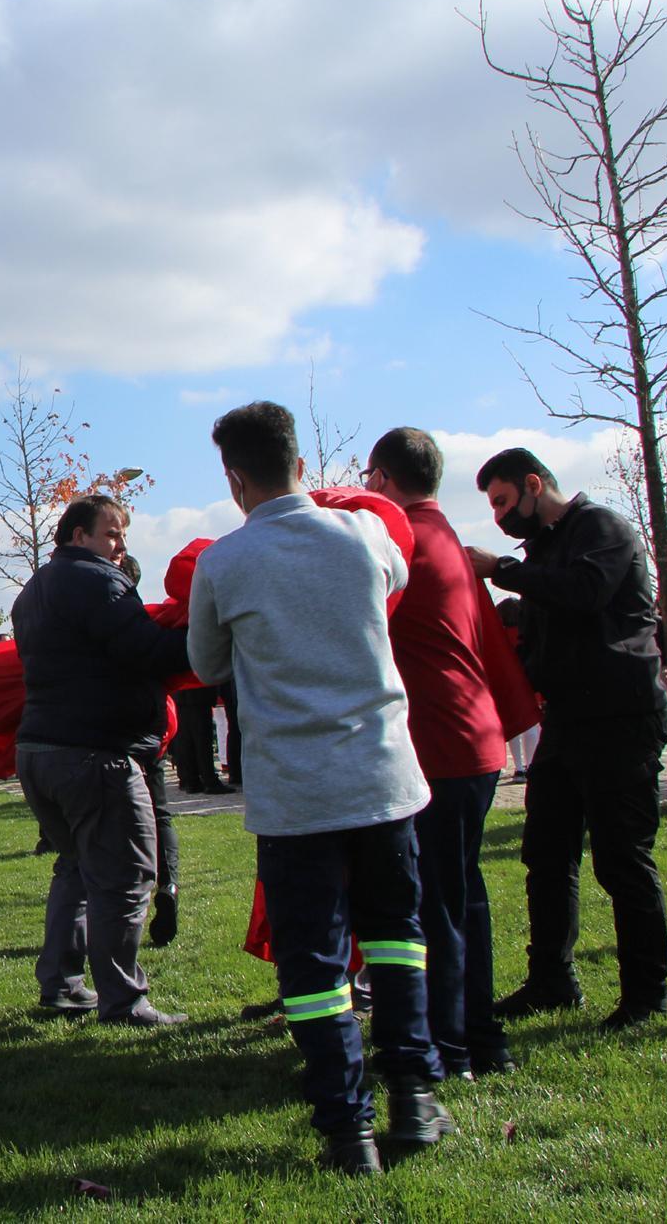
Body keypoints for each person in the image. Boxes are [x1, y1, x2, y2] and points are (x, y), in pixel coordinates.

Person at [188, 402, 446, 1175]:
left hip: (295, 795)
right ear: (301, 466)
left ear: (233, 480)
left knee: (313, 969)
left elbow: (206, 665)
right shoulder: (363, 534)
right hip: (382, 778)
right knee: (396, 940)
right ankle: (414, 1099)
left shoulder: (223, 564)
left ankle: (347, 1131)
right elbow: (399, 572)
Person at [465, 447, 667, 1030]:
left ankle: (647, 995)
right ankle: (552, 981)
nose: (500, 516)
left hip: (621, 719)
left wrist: (501, 569)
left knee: (622, 859)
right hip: (567, 722)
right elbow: (541, 637)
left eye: (503, 501)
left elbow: (585, 591)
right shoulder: (544, 551)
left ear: (534, 484)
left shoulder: (601, 528)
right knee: (547, 855)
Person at [364, 427, 517, 1079]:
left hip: (439, 742)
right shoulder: (446, 535)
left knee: (436, 904)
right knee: (462, 895)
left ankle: (449, 1046)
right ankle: (481, 1036)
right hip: (474, 736)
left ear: (382, 479)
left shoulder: (402, 540)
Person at [12, 494, 190, 1028]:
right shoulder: (99, 581)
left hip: (40, 751)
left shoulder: (34, 590)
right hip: (94, 756)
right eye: (111, 533)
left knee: (74, 870)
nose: (120, 546)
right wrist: (205, 632)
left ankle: (62, 985)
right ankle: (124, 1001)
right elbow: (146, 651)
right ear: (78, 535)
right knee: (125, 877)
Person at [118, 552, 182, 948]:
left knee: (119, 820)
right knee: (159, 812)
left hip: (118, 734)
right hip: (154, 727)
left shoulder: (108, 621)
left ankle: (132, 897)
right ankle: (168, 884)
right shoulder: (152, 621)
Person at [497, 599, 541, 779]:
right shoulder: (527, 633)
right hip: (529, 682)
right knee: (532, 725)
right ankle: (530, 764)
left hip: (509, 683)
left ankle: (519, 767)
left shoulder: (500, 635)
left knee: (514, 727)